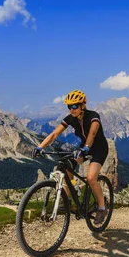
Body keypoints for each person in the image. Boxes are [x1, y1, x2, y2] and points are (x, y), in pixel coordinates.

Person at [31, 90, 110, 225]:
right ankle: (71, 193)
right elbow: (54, 134)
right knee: (67, 165)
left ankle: (102, 208)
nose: (71, 109)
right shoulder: (70, 118)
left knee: (91, 178)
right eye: (69, 106)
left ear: (82, 105)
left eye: (74, 106)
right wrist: (40, 147)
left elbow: (92, 133)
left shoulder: (93, 116)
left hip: (98, 149)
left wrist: (85, 148)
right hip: (83, 147)